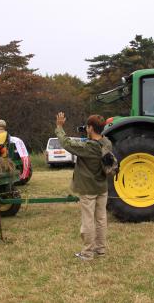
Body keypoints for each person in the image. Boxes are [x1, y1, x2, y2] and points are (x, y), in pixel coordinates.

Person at [55, 112, 112, 261]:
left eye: (88, 127)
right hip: (102, 187)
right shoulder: (107, 143)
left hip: (88, 189)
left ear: (91, 128)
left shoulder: (88, 146)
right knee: (101, 219)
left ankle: (87, 253)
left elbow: (66, 143)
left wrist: (59, 127)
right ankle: (101, 250)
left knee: (88, 220)